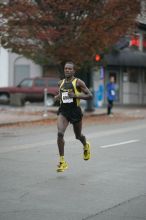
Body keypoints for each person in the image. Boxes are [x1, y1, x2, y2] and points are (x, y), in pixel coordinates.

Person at [54, 61, 93, 172]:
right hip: (63, 112)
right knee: (60, 133)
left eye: (70, 69)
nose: (67, 70)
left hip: (75, 112)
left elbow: (90, 95)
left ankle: (86, 145)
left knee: (78, 136)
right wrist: (58, 96)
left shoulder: (78, 82)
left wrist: (75, 95)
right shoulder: (60, 83)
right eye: (66, 68)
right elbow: (63, 94)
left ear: (74, 71)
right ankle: (62, 162)